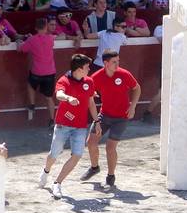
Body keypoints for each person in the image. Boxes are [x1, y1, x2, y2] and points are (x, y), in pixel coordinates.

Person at [37, 54, 99, 199]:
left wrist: (96, 121)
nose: (89, 69)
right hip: (63, 125)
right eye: (87, 67)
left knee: (77, 155)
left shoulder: (89, 82)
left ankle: (57, 183)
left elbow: (90, 102)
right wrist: (68, 98)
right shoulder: (64, 80)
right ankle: (46, 171)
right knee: (54, 154)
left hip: (80, 126)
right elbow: (59, 94)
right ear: (79, 69)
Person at [81, 50, 141, 188]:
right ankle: (94, 167)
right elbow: (88, 92)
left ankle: (111, 175)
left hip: (121, 117)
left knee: (110, 147)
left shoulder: (124, 74)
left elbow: (137, 88)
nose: (117, 64)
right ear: (105, 63)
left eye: (118, 61)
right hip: (104, 115)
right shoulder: (96, 77)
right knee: (90, 142)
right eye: (114, 62)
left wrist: (133, 107)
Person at [18, 17, 57, 127]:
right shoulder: (50, 38)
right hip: (50, 72)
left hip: (37, 72)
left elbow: (21, 49)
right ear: (46, 27)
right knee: (49, 98)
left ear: (36, 28)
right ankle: (52, 120)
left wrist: (20, 42)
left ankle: (32, 104)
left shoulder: (32, 40)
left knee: (30, 85)